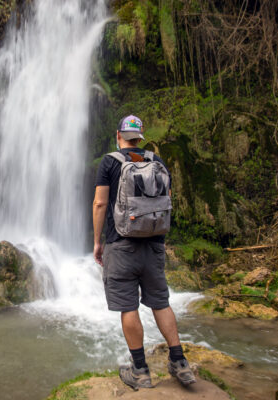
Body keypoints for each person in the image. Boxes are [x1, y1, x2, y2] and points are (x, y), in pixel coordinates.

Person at [92, 115, 196, 390]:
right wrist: (160, 239)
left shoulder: (110, 162)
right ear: (141, 137)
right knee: (161, 302)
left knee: (128, 306)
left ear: (119, 135)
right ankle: (180, 362)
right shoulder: (156, 162)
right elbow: (166, 202)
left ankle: (140, 371)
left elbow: (100, 204)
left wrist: (97, 241)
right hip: (153, 244)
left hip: (121, 244)